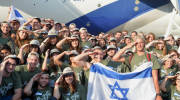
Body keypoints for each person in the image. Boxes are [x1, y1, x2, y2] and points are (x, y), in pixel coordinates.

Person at [112, 36, 162, 100]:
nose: (139, 45)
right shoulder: (131, 57)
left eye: (141, 43)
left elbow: (155, 77)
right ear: (134, 45)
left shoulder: (151, 57)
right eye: (137, 43)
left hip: (148, 89)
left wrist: (158, 94)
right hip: (135, 90)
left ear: (144, 43)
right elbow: (115, 58)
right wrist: (127, 47)